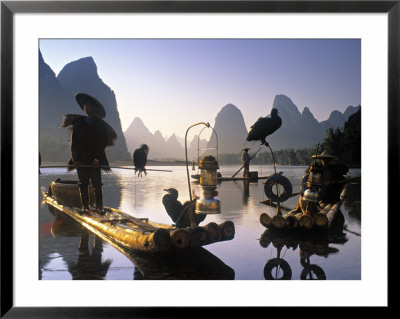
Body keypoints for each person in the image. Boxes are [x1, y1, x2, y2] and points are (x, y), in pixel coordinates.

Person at [61, 93, 117, 215]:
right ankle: (85, 207)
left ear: (94, 109)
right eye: (85, 105)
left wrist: (97, 158)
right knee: (83, 183)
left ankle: (99, 207)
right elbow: (74, 143)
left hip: (95, 160)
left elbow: (102, 143)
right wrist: (75, 159)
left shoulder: (100, 124)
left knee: (97, 184)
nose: (87, 107)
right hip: (81, 160)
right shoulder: (78, 123)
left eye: (89, 105)